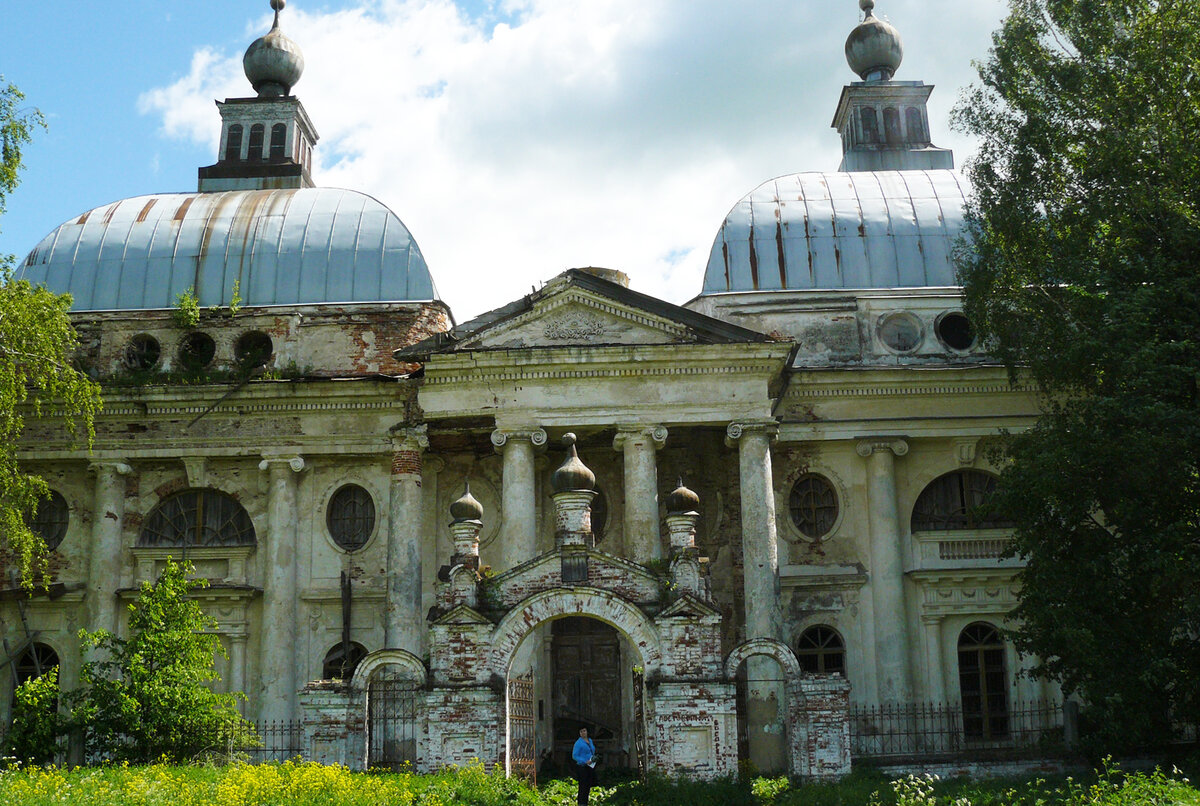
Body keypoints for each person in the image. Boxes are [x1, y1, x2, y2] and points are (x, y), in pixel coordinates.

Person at [571, 726, 597, 805]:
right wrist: (584, 761)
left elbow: (592, 751)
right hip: (582, 766)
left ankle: (585, 802)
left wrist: (593, 758)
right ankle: (581, 803)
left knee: (588, 785)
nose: (583, 733)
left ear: (587, 731)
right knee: (583, 786)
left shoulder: (590, 740)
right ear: (579, 733)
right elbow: (574, 756)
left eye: (584, 731)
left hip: (590, 765)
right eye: (581, 731)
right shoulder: (578, 743)